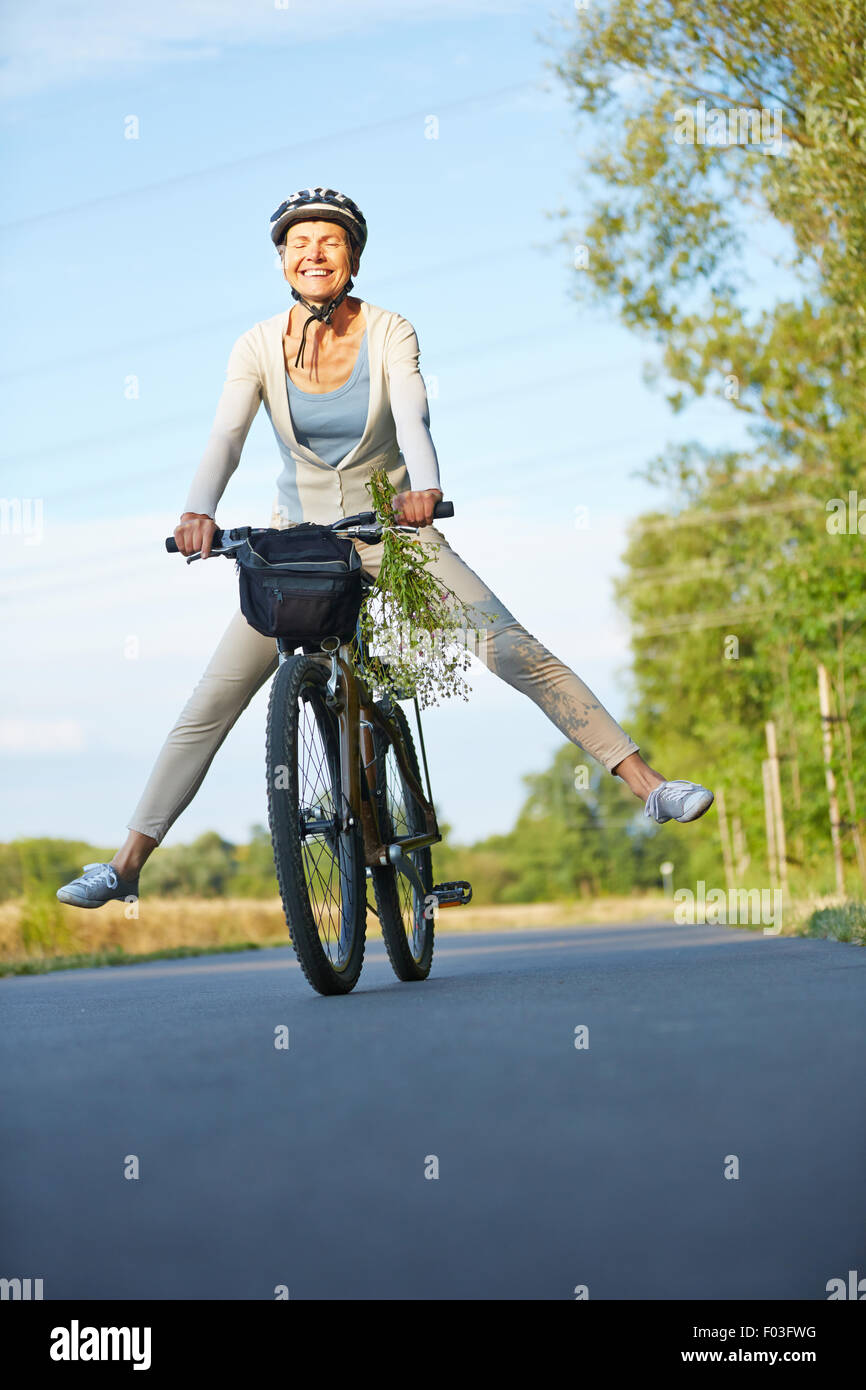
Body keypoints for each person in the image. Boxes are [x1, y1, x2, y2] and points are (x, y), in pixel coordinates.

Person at [57, 187, 713, 909]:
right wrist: (197, 511)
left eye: (330, 243)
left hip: (394, 533)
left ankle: (648, 787)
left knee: (509, 647)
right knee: (212, 699)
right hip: (299, 546)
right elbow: (226, 436)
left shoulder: (390, 330)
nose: (314, 254)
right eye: (299, 244)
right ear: (282, 262)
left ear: (353, 258)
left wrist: (424, 487)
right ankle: (126, 865)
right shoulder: (255, 346)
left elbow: (411, 407)